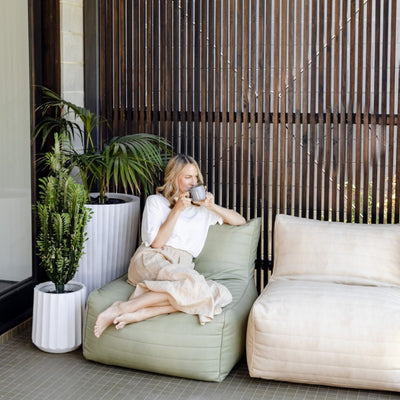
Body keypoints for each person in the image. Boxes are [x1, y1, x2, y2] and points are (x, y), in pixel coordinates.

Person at [94, 153, 246, 338]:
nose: (193, 182)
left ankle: (140, 312)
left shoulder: (203, 210)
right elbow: (156, 243)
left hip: (181, 267)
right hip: (153, 258)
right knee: (194, 287)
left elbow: (240, 221)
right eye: (188, 177)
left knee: (222, 294)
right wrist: (177, 209)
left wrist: (211, 206)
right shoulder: (156, 202)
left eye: (195, 177)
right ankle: (123, 309)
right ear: (174, 178)